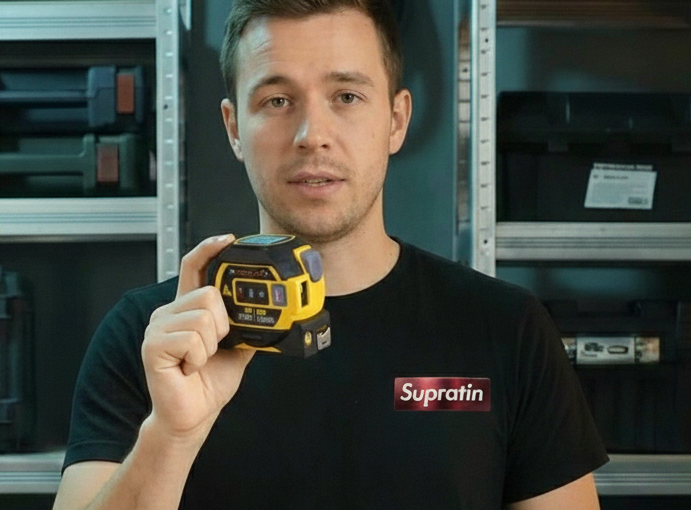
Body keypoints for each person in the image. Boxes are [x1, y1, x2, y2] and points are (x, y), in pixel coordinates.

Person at [52, 0, 609, 508]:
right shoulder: (151, 340)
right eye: (276, 100)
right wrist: (170, 437)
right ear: (233, 128)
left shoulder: (505, 329)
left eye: (346, 96)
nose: (311, 134)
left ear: (395, 119)